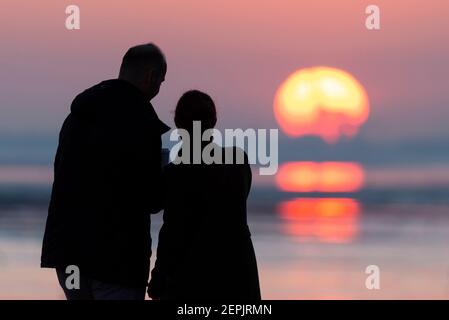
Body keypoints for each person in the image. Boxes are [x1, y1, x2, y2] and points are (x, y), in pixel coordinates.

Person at [41, 43, 170, 300]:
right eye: (161, 81)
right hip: (116, 260)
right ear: (150, 76)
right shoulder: (140, 120)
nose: (158, 89)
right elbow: (151, 198)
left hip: (68, 253)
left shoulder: (78, 115)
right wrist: (166, 173)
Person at [148, 90, 261, 300]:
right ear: (214, 121)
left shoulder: (175, 174)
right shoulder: (237, 161)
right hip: (237, 276)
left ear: (178, 124)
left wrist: (158, 278)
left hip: (189, 279)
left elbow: (170, 228)